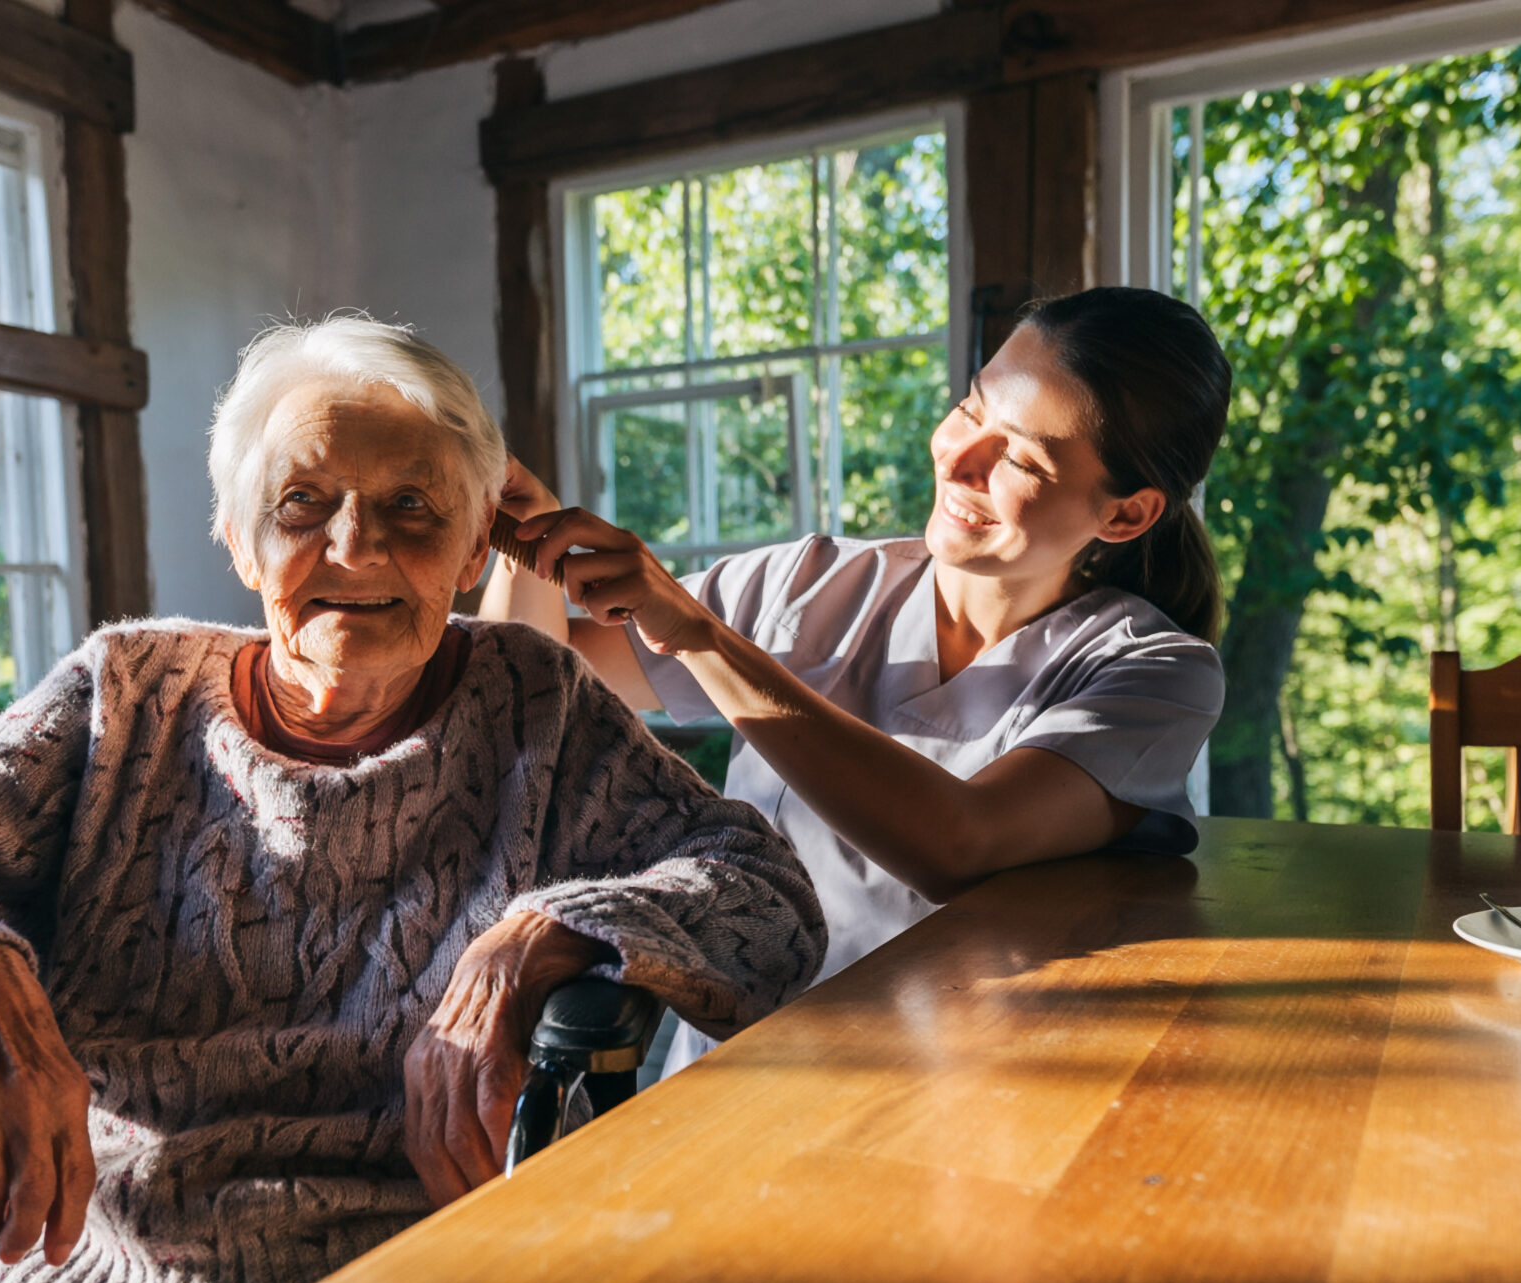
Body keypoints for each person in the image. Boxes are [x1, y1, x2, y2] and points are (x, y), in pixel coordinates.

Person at [0, 316, 826, 1283]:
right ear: (240, 540)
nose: (355, 546)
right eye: (303, 502)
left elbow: (767, 896)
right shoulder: (128, 693)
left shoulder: (534, 704)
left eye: (413, 507)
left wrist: (545, 929)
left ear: (471, 557)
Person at [482, 287, 1228, 1069]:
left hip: (951, 1104)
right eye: (972, 410)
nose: (960, 459)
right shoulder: (807, 584)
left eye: (1020, 456)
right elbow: (539, 686)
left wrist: (702, 639)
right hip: (720, 1089)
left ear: (1127, 515)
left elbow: (956, 842)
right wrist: (525, 535)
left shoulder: (1151, 674)